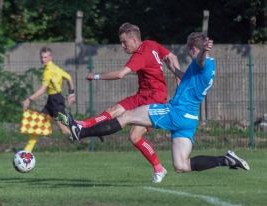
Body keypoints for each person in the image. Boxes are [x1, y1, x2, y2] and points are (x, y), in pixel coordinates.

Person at [64, 33, 250, 178]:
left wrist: (203, 51)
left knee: (126, 116)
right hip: (190, 119)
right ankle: (225, 160)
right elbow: (191, 76)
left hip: (175, 112)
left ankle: (81, 132)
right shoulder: (209, 67)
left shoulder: (202, 62)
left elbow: (200, 60)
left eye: (189, 50)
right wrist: (173, 69)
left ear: (193, 48)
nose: (188, 53)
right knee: (181, 165)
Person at [59, 22, 181, 183]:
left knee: (134, 136)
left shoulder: (140, 55)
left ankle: (159, 169)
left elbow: (120, 74)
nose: (122, 46)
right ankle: (81, 125)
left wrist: (95, 76)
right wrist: (179, 84)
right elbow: (173, 57)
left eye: (124, 42)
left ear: (135, 40)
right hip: (141, 95)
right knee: (113, 109)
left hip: (155, 101)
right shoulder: (151, 44)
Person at [13, 47, 76, 153]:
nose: (43, 59)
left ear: (51, 57)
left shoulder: (48, 71)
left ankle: (86, 132)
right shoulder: (56, 68)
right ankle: (27, 151)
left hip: (55, 102)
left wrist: (29, 99)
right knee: (38, 124)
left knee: (65, 130)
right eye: (41, 57)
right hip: (52, 101)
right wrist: (71, 93)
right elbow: (69, 77)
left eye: (45, 57)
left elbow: (42, 90)